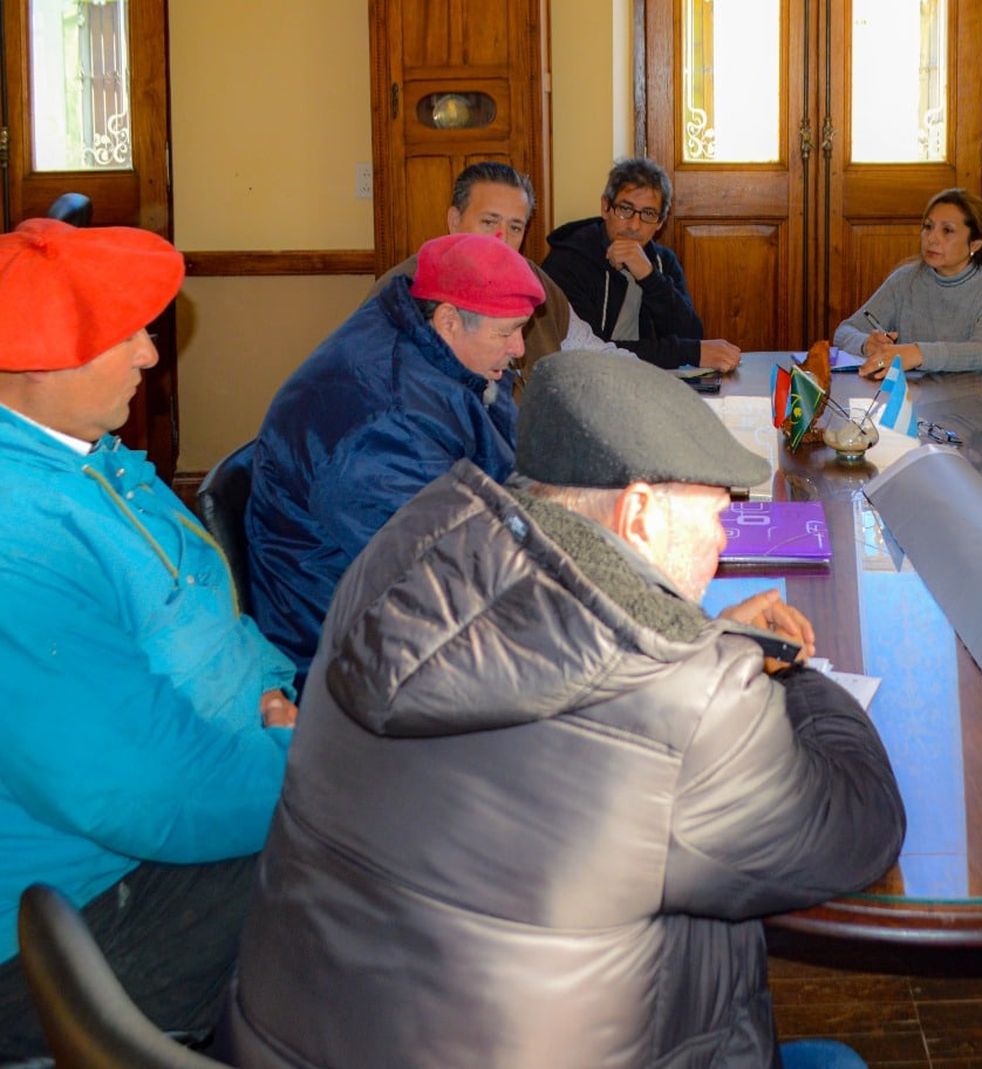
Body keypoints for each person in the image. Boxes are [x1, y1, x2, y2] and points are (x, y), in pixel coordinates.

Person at [225, 352, 906, 1069]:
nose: (727, 535)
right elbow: (858, 826)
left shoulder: (393, 560)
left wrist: (715, 641)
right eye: (717, 511)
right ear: (638, 511)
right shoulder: (689, 700)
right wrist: (787, 671)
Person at [0, 219, 297, 1060]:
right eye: (122, 335)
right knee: (392, 862)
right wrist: (298, 767)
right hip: (64, 924)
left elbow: (219, 625)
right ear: (34, 357)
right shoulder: (18, 532)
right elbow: (135, 791)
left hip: (162, 829)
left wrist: (288, 704)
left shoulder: (91, 459)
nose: (149, 355)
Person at [245, 232, 543, 687]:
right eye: (506, 332)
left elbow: (507, 472)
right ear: (447, 321)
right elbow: (440, 580)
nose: (520, 347)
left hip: (394, 608)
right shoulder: (382, 421)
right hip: (344, 653)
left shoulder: (439, 350)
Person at [370, 161, 631, 392]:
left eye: (515, 227)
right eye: (489, 222)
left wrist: (657, 384)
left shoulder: (537, 284)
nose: (501, 239)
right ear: (454, 220)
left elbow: (594, 355)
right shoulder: (401, 292)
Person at [543, 156, 742, 372]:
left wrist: (649, 276)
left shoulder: (663, 262)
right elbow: (589, 353)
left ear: (660, 223)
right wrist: (686, 352)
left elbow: (691, 335)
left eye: (648, 214)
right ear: (605, 207)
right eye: (625, 209)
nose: (634, 225)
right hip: (588, 382)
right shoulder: (568, 262)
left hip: (650, 380)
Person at [832, 188, 982, 379]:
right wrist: (866, 344)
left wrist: (918, 354)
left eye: (947, 230)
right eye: (928, 227)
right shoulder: (905, 279)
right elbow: (844, 332)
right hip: (913, 398)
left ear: (975, 243)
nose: (931, 238)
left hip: (975, 399)